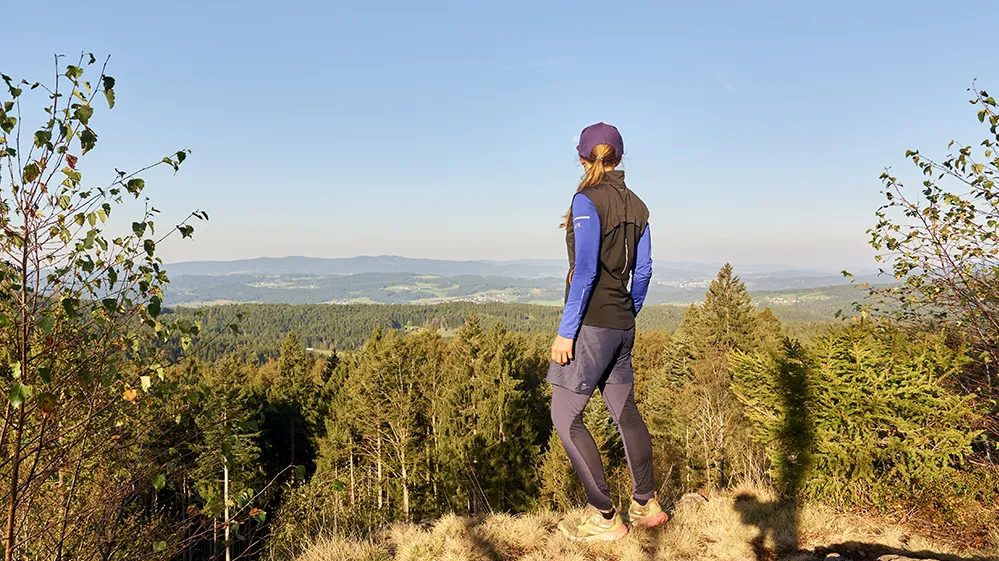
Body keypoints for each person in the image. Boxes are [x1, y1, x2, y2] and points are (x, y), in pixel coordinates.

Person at [549, 122, 667, 542]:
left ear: (582, 158)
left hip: (591, 326)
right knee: (624, 410)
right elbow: (644, 270)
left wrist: (566, 332)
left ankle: (603, 516)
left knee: (565, 416)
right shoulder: (639, 206)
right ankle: (646, 504)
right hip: (622, 324)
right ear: (619, 157)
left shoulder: (586, 200)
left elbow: (584, 271)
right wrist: (628, 310)